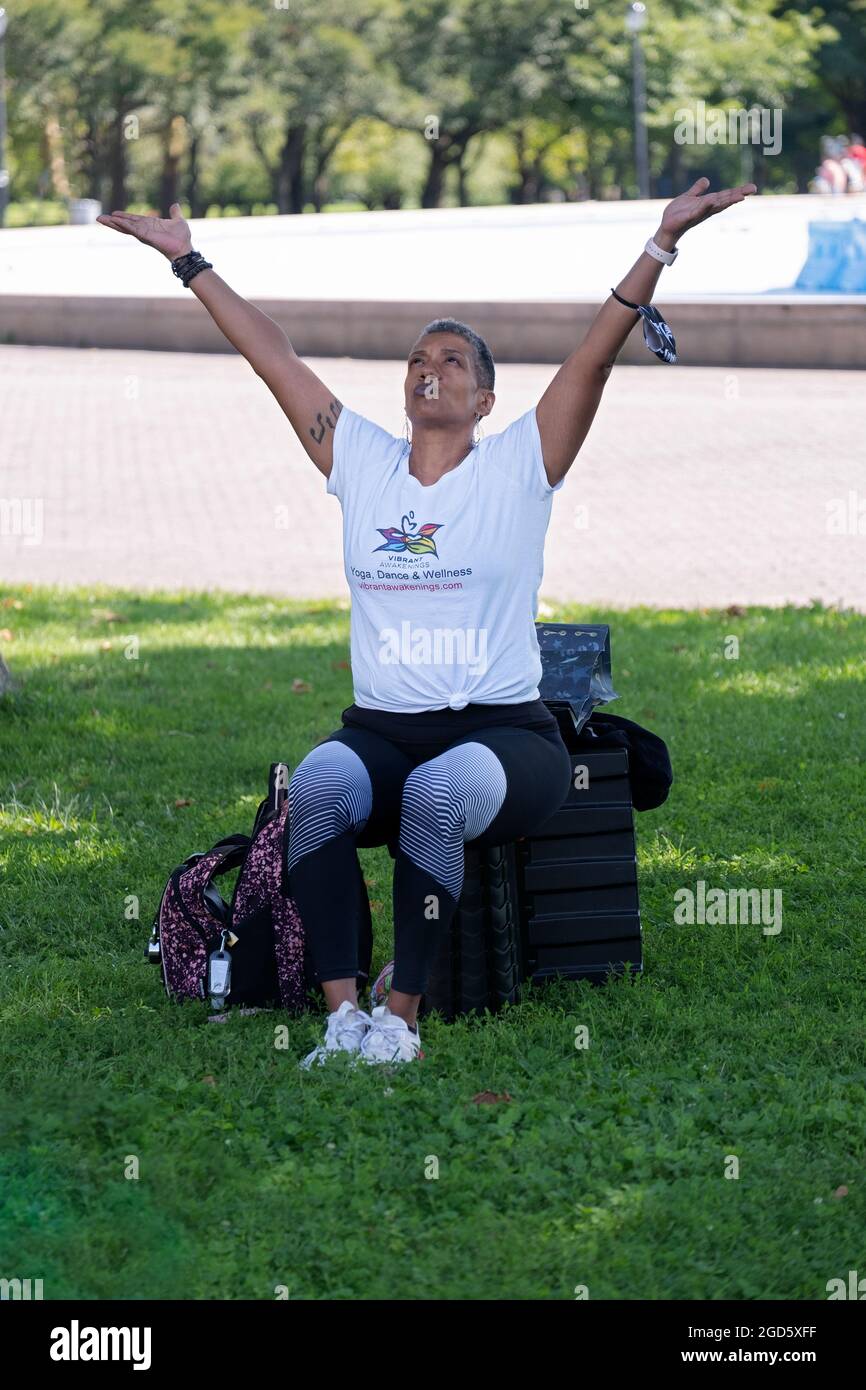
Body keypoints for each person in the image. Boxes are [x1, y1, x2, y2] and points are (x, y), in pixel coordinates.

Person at [97, 175, 755, 1067]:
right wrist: (189, 260)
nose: (429, 368)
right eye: (419, 357)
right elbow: (274, 360)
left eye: (452, 361)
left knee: (436, 798)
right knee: (319, 790)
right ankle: (342, 1015)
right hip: (382, 732)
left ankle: (399, 1020)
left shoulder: (519, 466)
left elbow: (592, 359)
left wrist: (661, 245)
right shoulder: (362, 461)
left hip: (506, 739)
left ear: (484, 400)